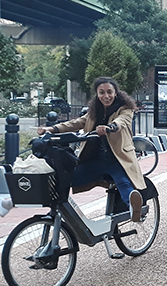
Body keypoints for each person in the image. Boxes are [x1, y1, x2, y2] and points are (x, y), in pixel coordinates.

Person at [37, 77, 146, 222]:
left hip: (118, 159)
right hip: (95, 159)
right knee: (67, 179)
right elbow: (77, 122)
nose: (106, 96)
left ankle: (134, 208)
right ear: (97, 94)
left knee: (123, 182)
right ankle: (62, 218)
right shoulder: (95, 111)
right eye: (101, 92)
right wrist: (52, 128)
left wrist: (110, 127)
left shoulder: (125, 109)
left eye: (109, 92)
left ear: (116, 93)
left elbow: (122, 121)